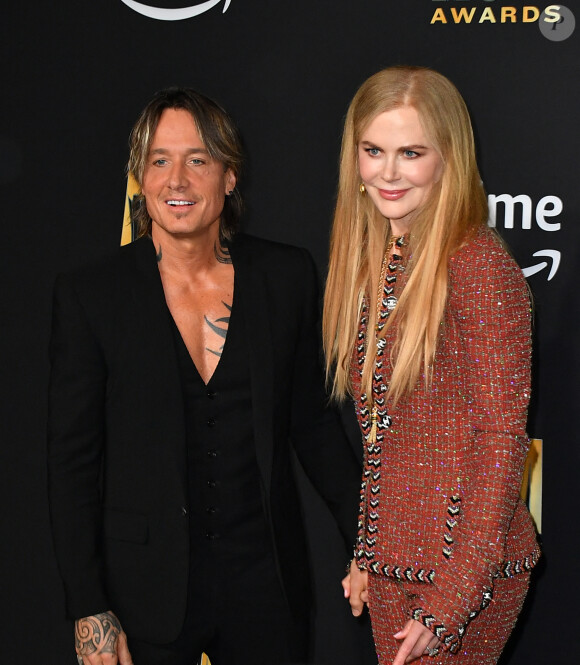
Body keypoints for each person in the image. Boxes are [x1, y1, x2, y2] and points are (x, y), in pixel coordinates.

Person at [48, 87, 361, 665]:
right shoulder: (92, 294)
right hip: (144, 593)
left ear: (230, 175)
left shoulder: (286, 276)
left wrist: (364, 543)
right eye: (159, 161)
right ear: (140, 179)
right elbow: (72, 463)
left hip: (267, 585)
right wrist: (88, 605)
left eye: (198, 160)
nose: (177, 181)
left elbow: (314, 427)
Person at [323, 66, 540, 665]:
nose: (388, 173)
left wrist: (451, 597)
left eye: (411, 153)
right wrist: (369, 549)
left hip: (458, 574)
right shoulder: (383, 253)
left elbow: (501, 438)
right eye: (374, 151)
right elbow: (388, 434)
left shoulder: (476, 265)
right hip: (398, 565)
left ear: (448, 157)